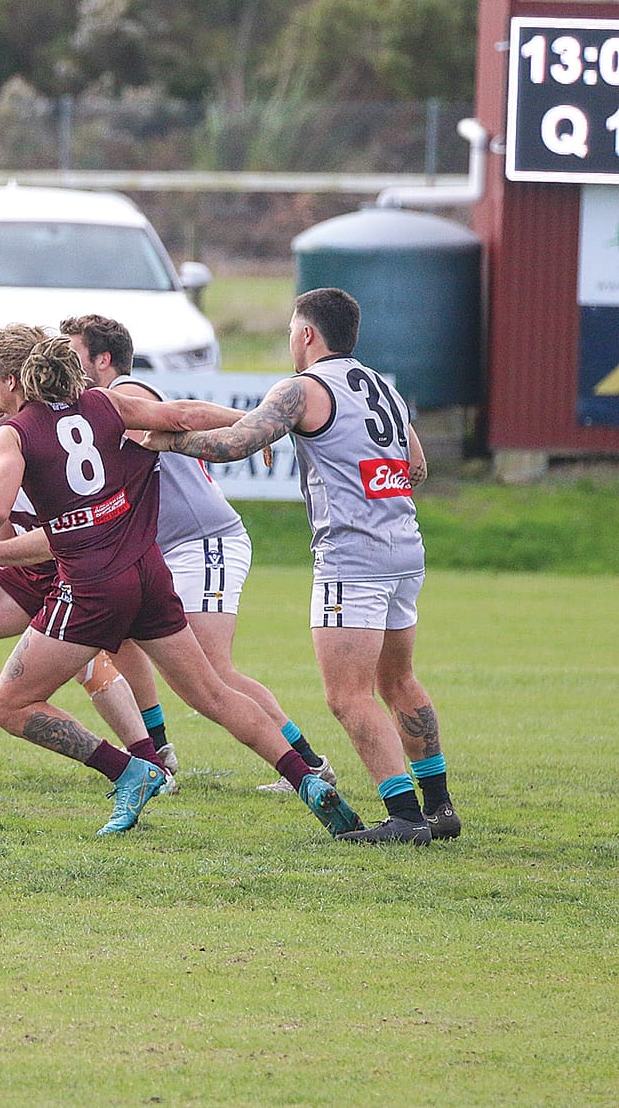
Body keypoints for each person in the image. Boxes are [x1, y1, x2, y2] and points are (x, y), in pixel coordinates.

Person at [0, 324, 363, 838]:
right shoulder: (103, 403)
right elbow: (183, 414)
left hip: (92, 586)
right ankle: (305, 780)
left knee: (10, 705)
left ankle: (131, 770)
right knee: (211, 693)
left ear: (12, 380)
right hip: (149, 575)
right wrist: (260, 427)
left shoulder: (14, 434)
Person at [146, 288, 455, 845]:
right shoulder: (381, 385)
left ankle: (405, 817)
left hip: (352, 557)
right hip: (405, 547)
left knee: (348, 696)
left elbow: (236, 444)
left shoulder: (303, 388)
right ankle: (438, 807)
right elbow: (416, 465)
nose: (291, 339)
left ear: (308, 334)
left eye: (292, 329)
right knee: (397, 679)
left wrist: (167, 442)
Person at [0, 488, 167, 783]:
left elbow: (61, 537)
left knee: (87, 663)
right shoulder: (6, 456)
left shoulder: (54, 460)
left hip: (79, 573)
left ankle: (150, 761)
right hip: (28, 571)